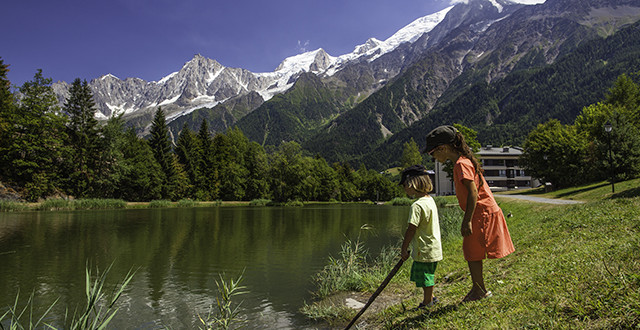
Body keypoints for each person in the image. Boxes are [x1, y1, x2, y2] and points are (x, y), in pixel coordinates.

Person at [423, 125, 514, 302]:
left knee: (472, 252)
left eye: (432, 153)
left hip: (481, 212)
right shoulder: (463, 161)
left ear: (443, 148)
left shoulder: (461, 164)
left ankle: (479, 290)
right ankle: (478, 288)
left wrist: (467, 220)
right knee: (472, 251)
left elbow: (473, 193)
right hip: (480, 211)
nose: (432, 157)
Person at [399, 164, 443, 309]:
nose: (404, 188)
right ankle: (431, 297)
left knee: (426, 277)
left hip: (423, 249)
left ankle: (427, 302)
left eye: (405, 184)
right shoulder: (430, 200)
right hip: (433, 247)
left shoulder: (417, 206)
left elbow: (411, 229)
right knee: (427, 273)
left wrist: (404, 248)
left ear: (413, 183)